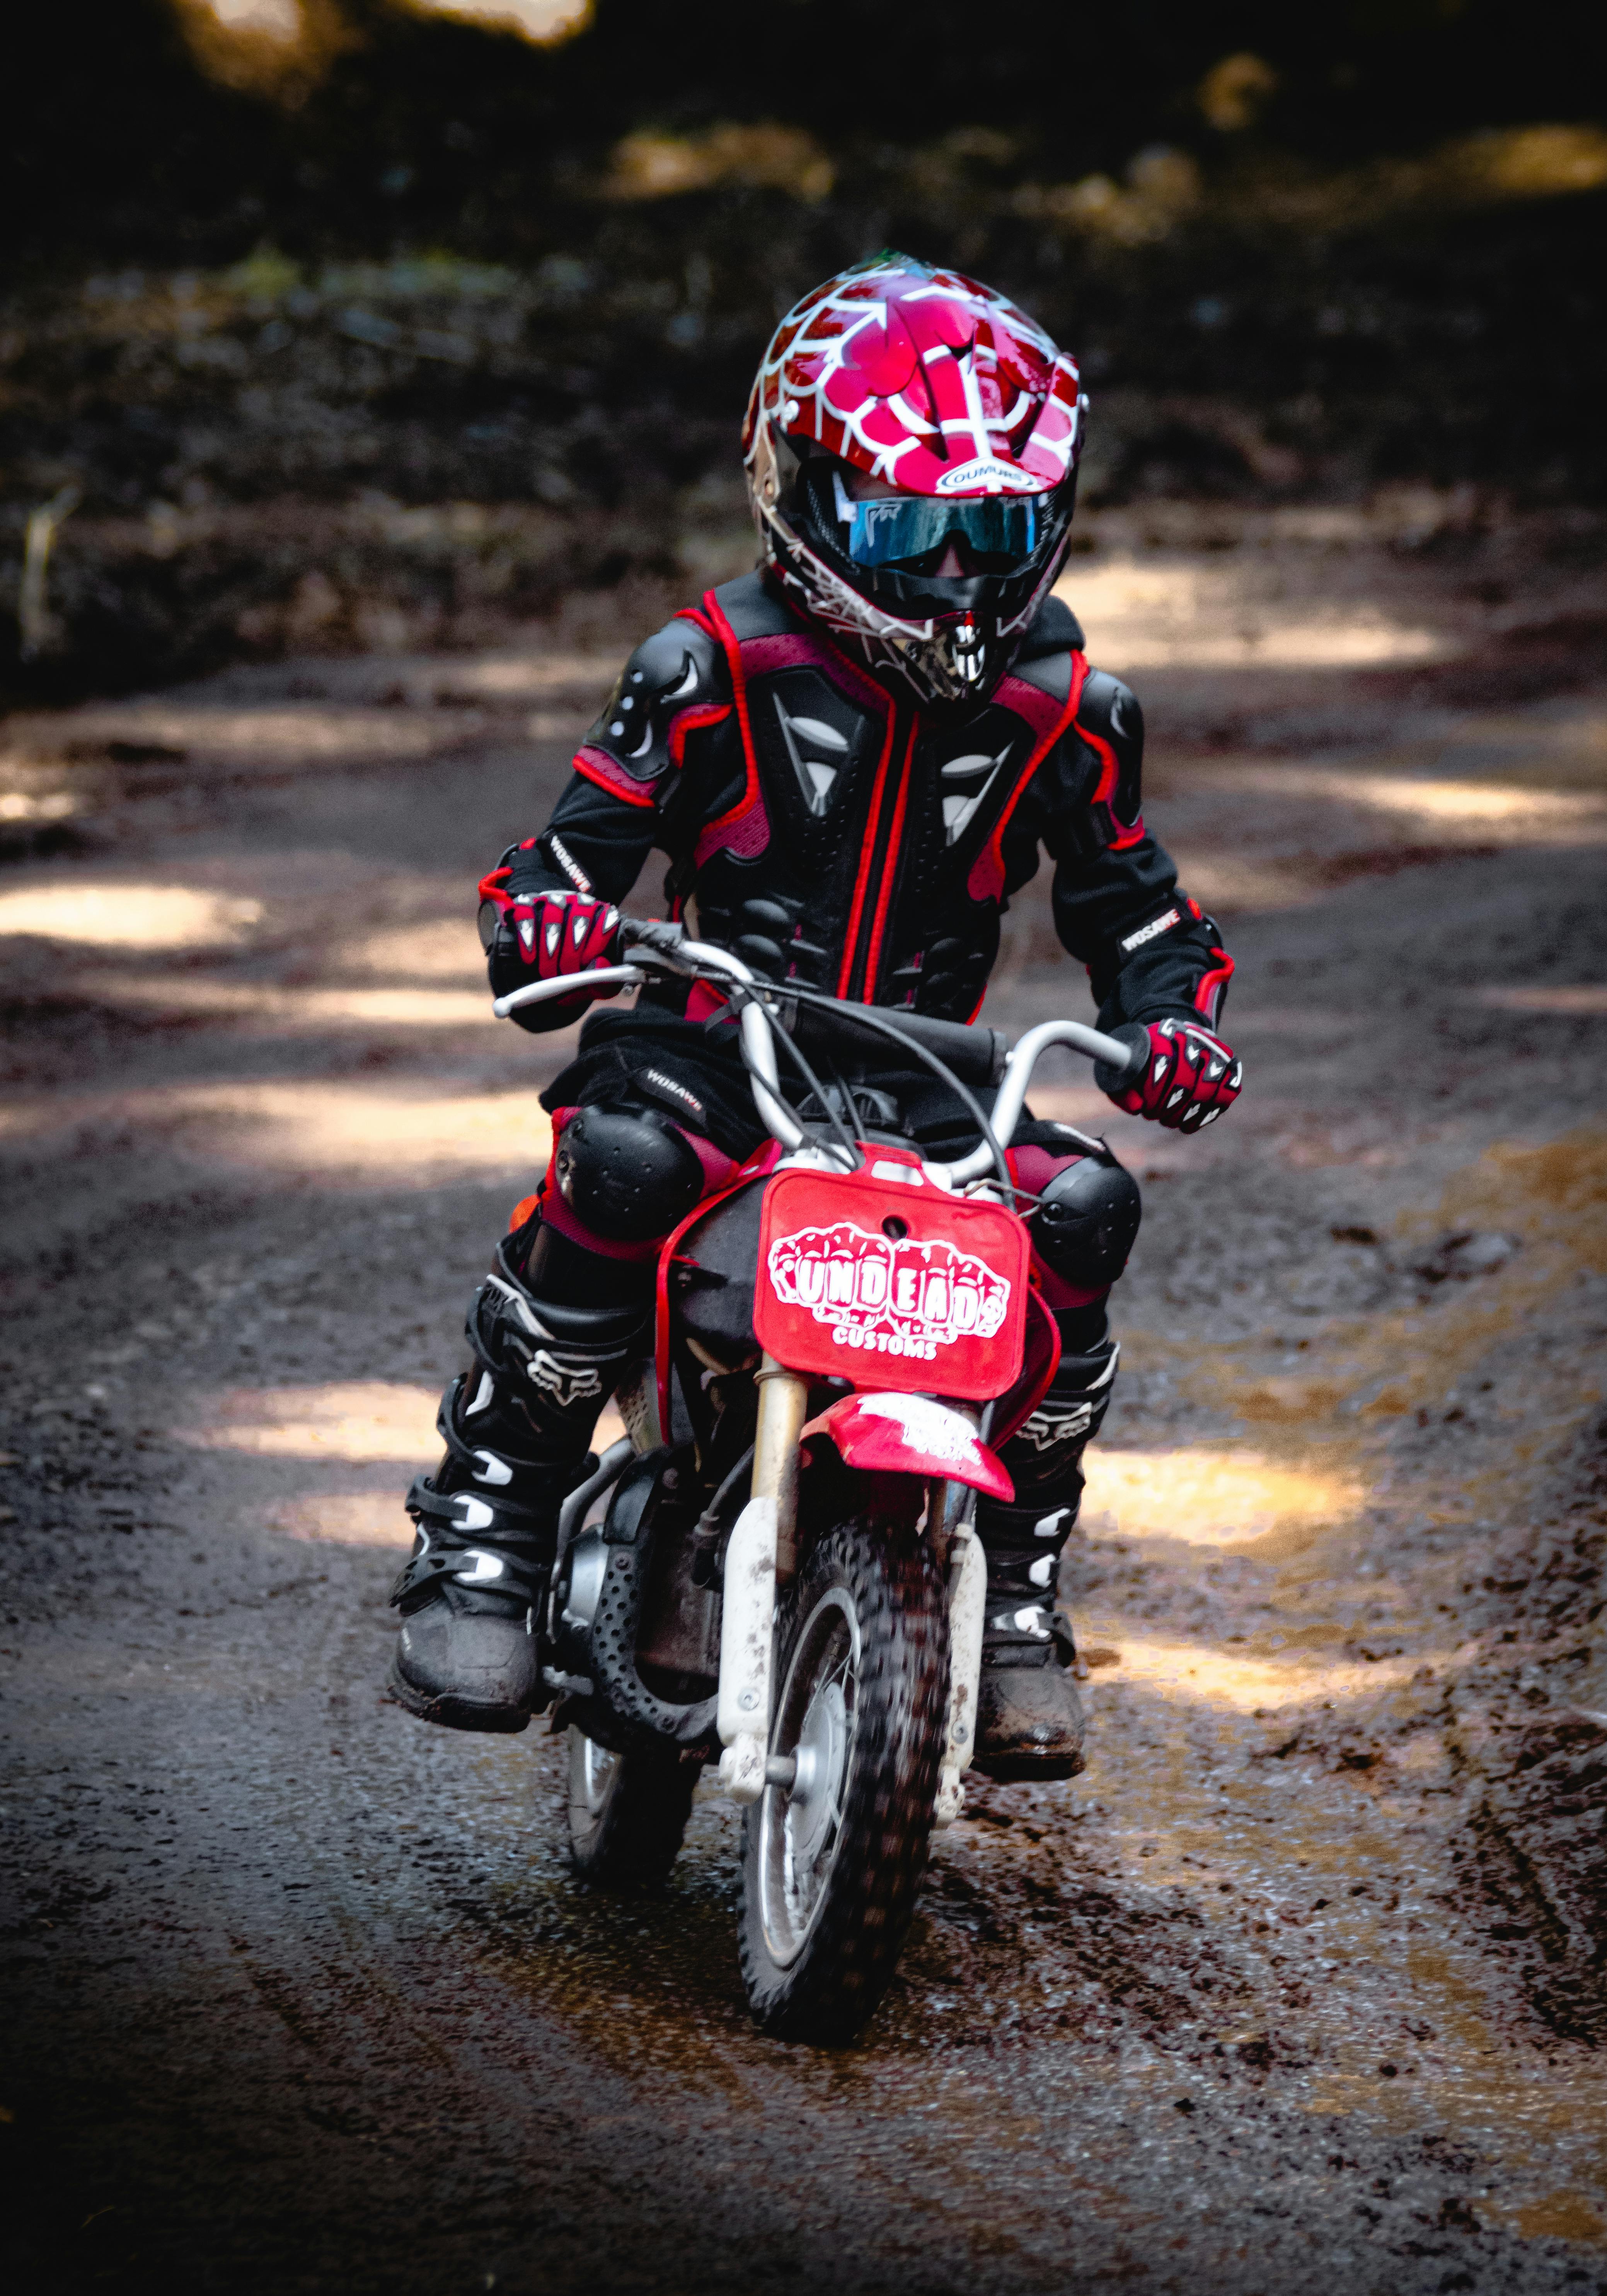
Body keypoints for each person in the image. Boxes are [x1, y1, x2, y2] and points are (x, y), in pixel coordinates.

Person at [389, 253, 1241, 1780]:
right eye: (908, 528)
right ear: (802, 488)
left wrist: (1175, 1020)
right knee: (623, 1160)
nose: (955, 575)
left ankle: (1022, 1595)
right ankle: (491, 1531)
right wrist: (551, 923)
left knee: (1085, 1210)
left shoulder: (1067, 702)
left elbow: (1141, 913)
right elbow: (564, 862)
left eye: (991, 534)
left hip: (931, 1084)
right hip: (716, 1045)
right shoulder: (706, 661)